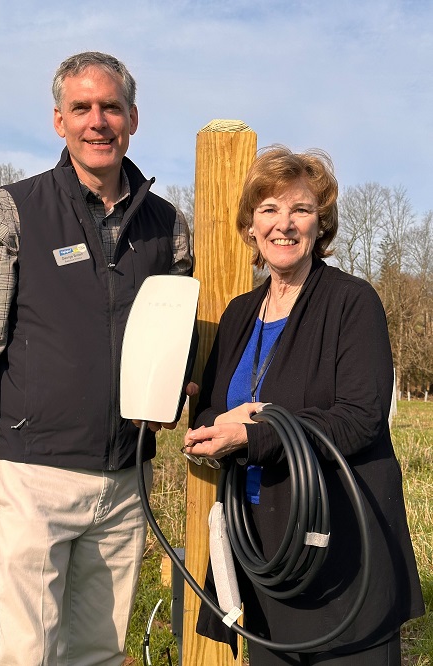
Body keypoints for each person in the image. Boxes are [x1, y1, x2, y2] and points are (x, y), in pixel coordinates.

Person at [0, 51, 193, 666]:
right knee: (26, 651)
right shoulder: (12, 212)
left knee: (99, 651)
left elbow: (178, 334)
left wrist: (178, 386)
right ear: (59, 121)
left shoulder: (169, 227)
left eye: (111, 107)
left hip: (125, 477)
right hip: (34, 475)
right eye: (81, 108)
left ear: (134, 117)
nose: (97, 121)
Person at [184, 146, 424, 665]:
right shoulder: (239, 313)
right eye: (269, 210)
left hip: (340, 546)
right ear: (251, 226)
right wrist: (208, 428)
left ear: (321, 224)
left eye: (300, 210)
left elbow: (359, 417)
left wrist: (254, 435)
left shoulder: (352, 302)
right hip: (264, 547)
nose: (284, 224)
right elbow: (215, 411)